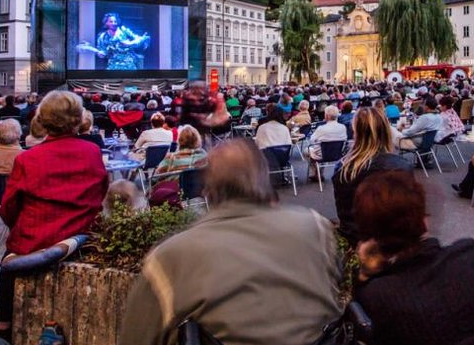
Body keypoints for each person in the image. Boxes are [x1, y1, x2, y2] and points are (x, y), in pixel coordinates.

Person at [118, 139, 342, 345]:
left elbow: (136, 337)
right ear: (266, 179)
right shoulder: (315, 227)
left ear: (208, 190)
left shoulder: (171, 257)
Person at [0, 91, 108, 341]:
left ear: (42, 120)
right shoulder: (91, 151)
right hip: (80, 234)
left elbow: (8, 208)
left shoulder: (27, 158)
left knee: (7, 264)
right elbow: (101, 190)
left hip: (35, 237)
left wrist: (22, 227)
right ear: (78, 120)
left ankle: (4, 323)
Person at [354, 171, 474, 345]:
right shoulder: (470, 254)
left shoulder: (376, 295)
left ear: (371, 236)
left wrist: (364, 274)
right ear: (423, 219)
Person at [333, 107, 413, 244]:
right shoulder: (402, 166)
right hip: (396, 244)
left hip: (357, 242)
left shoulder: (343, 169)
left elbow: (345, 213)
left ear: (356, 132)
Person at [307, 105, 348, 177]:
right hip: (338, 154)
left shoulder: (321, 128)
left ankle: (316, 173)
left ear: (326, 116)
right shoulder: (343, 127)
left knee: (307, 151)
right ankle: (318, 173)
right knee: (321, 149)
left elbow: (312, 140)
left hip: (322, 155)